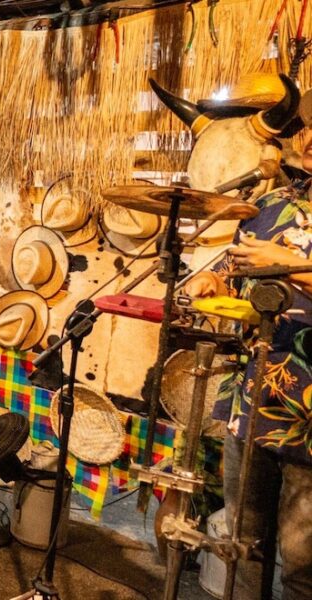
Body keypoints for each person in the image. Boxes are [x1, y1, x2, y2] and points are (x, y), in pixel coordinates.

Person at [184, 137, 312, 599]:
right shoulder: (273, 203)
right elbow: (233, 267)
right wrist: (212, 279)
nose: (310, 139)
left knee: (303, 563)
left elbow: (277, 265)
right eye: (309, 128)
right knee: (241, 546)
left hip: (308, 413)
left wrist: (288, 263)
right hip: (256, 397)